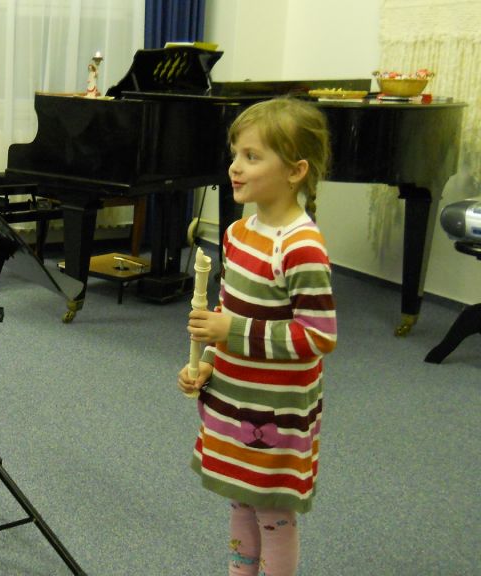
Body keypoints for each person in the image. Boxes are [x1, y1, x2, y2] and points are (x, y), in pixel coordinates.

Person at [178, 97, 337, 576]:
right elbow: (229, 310)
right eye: (235, 154)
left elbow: (317, 337)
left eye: (252, 156)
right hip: (235, 395)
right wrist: (209, 363)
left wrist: (232, 330)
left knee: (273, 514)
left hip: (274, 409)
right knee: (241, 502)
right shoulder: (238, 233)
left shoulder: (301, 247)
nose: (235, 167)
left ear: (295, 171)